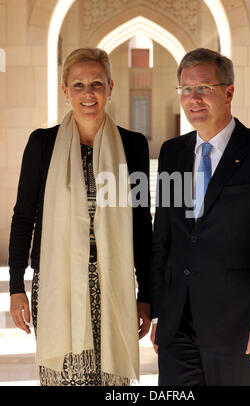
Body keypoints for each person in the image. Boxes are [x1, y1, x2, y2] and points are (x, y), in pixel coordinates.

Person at [150, 48, 250, 386]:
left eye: (204, 88)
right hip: (178, 327)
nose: (193, 99)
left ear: (229, 91)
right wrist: (160, 312)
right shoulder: (172, 153)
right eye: (186, 89)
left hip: (241, 327)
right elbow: (164, 239)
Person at [9, 48, 152, 386]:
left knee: (112, 380)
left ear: (111, 87)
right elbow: (23, 216)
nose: (88, 93)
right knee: (63, 378)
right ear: (65, 90)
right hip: (57, 282)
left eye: (97, 84)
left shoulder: (133, 147)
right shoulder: (43, 144)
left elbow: (141, 224)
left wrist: (146, 294)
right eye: (78, 85)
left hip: (113, 282)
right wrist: (17, 287)